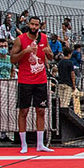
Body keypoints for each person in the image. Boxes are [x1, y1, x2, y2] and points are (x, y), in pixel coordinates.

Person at [13, 15, 53, 154]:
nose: (34, 27)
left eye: (37, 25)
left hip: (40, 79)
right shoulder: (21, 39)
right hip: (25, 80)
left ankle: (40, 143)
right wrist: (25, 51)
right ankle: (23, 144)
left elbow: (50, 56)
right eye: (32, 24)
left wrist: (49, 53)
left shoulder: (44, 38)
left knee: (41, 110)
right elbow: (12, 59)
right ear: (28, 24)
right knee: (23, 111)